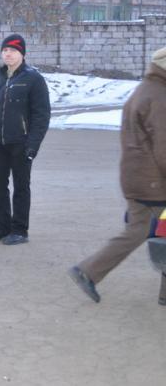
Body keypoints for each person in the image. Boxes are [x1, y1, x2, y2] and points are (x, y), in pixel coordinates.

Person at [68, 47, 166, 304]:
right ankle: (88, 271)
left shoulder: (146, 89)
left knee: (149, 231)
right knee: (142, 231)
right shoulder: (160, 96)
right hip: (153, 183)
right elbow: (164, 147)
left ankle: (90, 272)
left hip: (139, 178)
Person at [0, 34, 51, 245]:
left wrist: (33, 144)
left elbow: (41, 115)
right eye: (5, 50)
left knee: (21, 187)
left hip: (21, 143)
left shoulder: (33, 79)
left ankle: (19, 230)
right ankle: (3, 226)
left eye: (13, 51)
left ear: (22, 54)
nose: (8, 54)